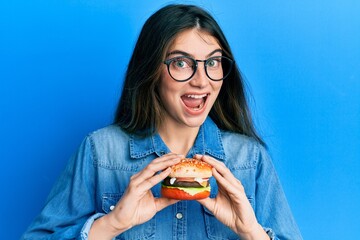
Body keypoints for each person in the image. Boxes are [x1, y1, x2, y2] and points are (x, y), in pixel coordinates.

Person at [21, 4, 302, 240]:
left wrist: (252, 232)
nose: (202, 80)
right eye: (181, 63)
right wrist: (111, 224)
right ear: (151, 70)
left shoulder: (250, 159)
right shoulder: (101, 152)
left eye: (213, 62)